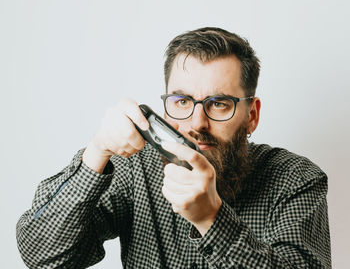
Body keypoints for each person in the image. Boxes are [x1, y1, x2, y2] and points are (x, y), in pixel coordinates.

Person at [16, 27, 331, 268]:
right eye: (182, 101)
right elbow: (42, 255)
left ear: (252, 116)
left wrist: (211, 219)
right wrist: (96, 153)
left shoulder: (296, 179)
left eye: (219, 104)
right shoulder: (133, 168)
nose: (197, 123)